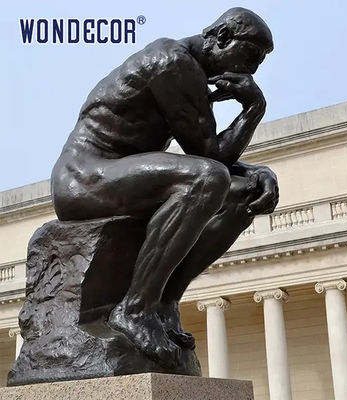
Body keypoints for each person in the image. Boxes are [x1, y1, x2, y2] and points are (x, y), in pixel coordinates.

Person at [51, 7, 279, 366]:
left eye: (259, 62)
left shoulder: (190, 71)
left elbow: (207, 155)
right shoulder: (173, 61)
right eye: (250, 55)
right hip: (83, 177)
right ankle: (135, 309)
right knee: (208, 179)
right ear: (221, 37)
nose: (251, 70)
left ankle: (164, 301)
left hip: (117, 175)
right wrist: (254, 108)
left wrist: (256, 171)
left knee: (245, 192)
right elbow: (210, 157)